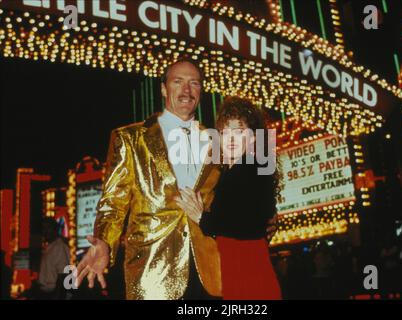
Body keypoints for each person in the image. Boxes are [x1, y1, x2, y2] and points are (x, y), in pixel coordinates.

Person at [76, 58, 222, 300]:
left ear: (201, 91)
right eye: (178, 82)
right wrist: (104, 242)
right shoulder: (130, 138)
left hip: (212, 270)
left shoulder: (219, 141)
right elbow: (114, 203)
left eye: (194, 83)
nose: (186, 90)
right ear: (164, 89)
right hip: (153, 269)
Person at [176, 97, 282, 299]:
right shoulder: (232, 172)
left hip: (247, 269)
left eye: (239, 131)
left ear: (252, 138)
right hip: (237, 267)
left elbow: (245, 225)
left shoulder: (251, 168)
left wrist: (202, 218)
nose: (231, 139)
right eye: (225, 132)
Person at [37, 217, 70, 299]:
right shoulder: (49, 247)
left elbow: (63, 275)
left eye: (48, 228)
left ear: (55, 229)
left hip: (53, 294)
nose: (46, 231)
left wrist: (58, 296)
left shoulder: (59, 247)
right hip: (45, 293)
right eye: (43, 228)